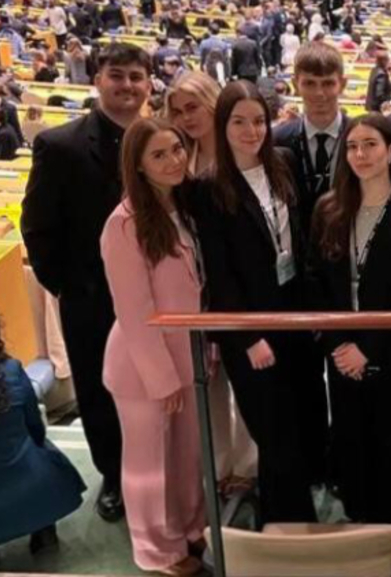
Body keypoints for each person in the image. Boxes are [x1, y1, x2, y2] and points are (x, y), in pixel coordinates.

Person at [21, 43, 154, 524]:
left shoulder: (162, 139)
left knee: (162, 390)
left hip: (158, 300)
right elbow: (36, 228)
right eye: (116, 75)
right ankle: (115, 477)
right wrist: (69, 289)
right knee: (100, 396)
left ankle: (163, 473)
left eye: (136, 77)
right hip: (92, 301)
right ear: (97, 79)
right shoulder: (60, 145)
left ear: (149, 84)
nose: (127, 86)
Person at [200, 80, 325, 524]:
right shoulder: (209, 186)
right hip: (251, 329)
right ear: (223, 125)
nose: (251, 131)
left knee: (304, 414)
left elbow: (304, 238)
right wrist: (248, 335)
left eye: (258, 121)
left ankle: (290, 504)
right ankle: (290, 524)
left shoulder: (284, 162)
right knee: (274, 432)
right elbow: (219, 274)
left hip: (293, 313)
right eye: (239, 122)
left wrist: (312, 311)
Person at [306, 113, 391, 522]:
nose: (361, 154)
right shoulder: (328, 210)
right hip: (341, 351)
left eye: (371, 145)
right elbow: (316, 283)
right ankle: (359, 522)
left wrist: (368, 349)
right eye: (353, 146)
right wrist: (338, 344)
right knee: (351, 443)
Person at [100, 118, 206, 576]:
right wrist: (160, 379)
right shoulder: (124, 224)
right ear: (139, 167)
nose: (173, 160)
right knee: (149, 464)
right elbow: (135, 311)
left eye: (177, 150)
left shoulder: (180, 207)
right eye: (159, 155)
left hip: (187, 353)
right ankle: (156, 550)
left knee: (185, 454)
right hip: (143, 367)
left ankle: (189, 527)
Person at [164, 71, 258, 495]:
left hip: (244, 292)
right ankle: (219, 467)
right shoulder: (179, 163)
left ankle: (250, 464)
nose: (186, 118)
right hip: (195, 292)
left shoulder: (247, 154)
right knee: (212, 384)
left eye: (193, 107)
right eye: (179, 111)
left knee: (251, 383)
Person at [0, 307, 86, 571]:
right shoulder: (11, 370)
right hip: (32, 486)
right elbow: (36, 430)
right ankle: (44, 531)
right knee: (39, 448)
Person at [274, 42, 351, 255]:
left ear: (342, 84)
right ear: (295, 83)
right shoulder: (277, 141)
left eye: (328, 83)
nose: (319, 93)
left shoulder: (360, 137)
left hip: (347, 255)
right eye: (309, 83)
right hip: (295, 257)